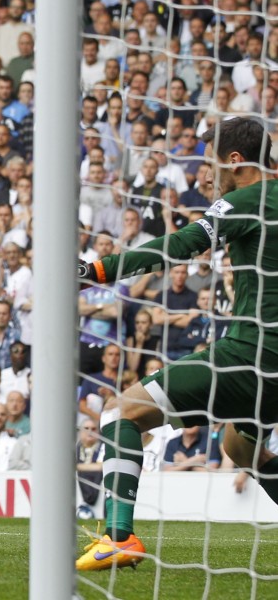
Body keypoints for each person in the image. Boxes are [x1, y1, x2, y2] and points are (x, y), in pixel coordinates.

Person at [76, 117, 278, 570]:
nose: (206, 174)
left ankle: (118, 536)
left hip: (252, 355)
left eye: (211, 162)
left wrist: (98, 271)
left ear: (235, 160)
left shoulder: (245, 199)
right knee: (240, 448)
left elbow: (183, 244)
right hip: (271, 374)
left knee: (120, 410)